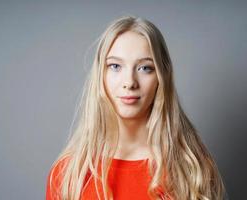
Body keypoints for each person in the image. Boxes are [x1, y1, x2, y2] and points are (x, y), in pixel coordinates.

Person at [46, 15, 226, 200]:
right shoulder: (68, 174)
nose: (129, 82)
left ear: (161, 77)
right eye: (115, 66)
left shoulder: (191, 168)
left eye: (145, 68)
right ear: (101, 75)